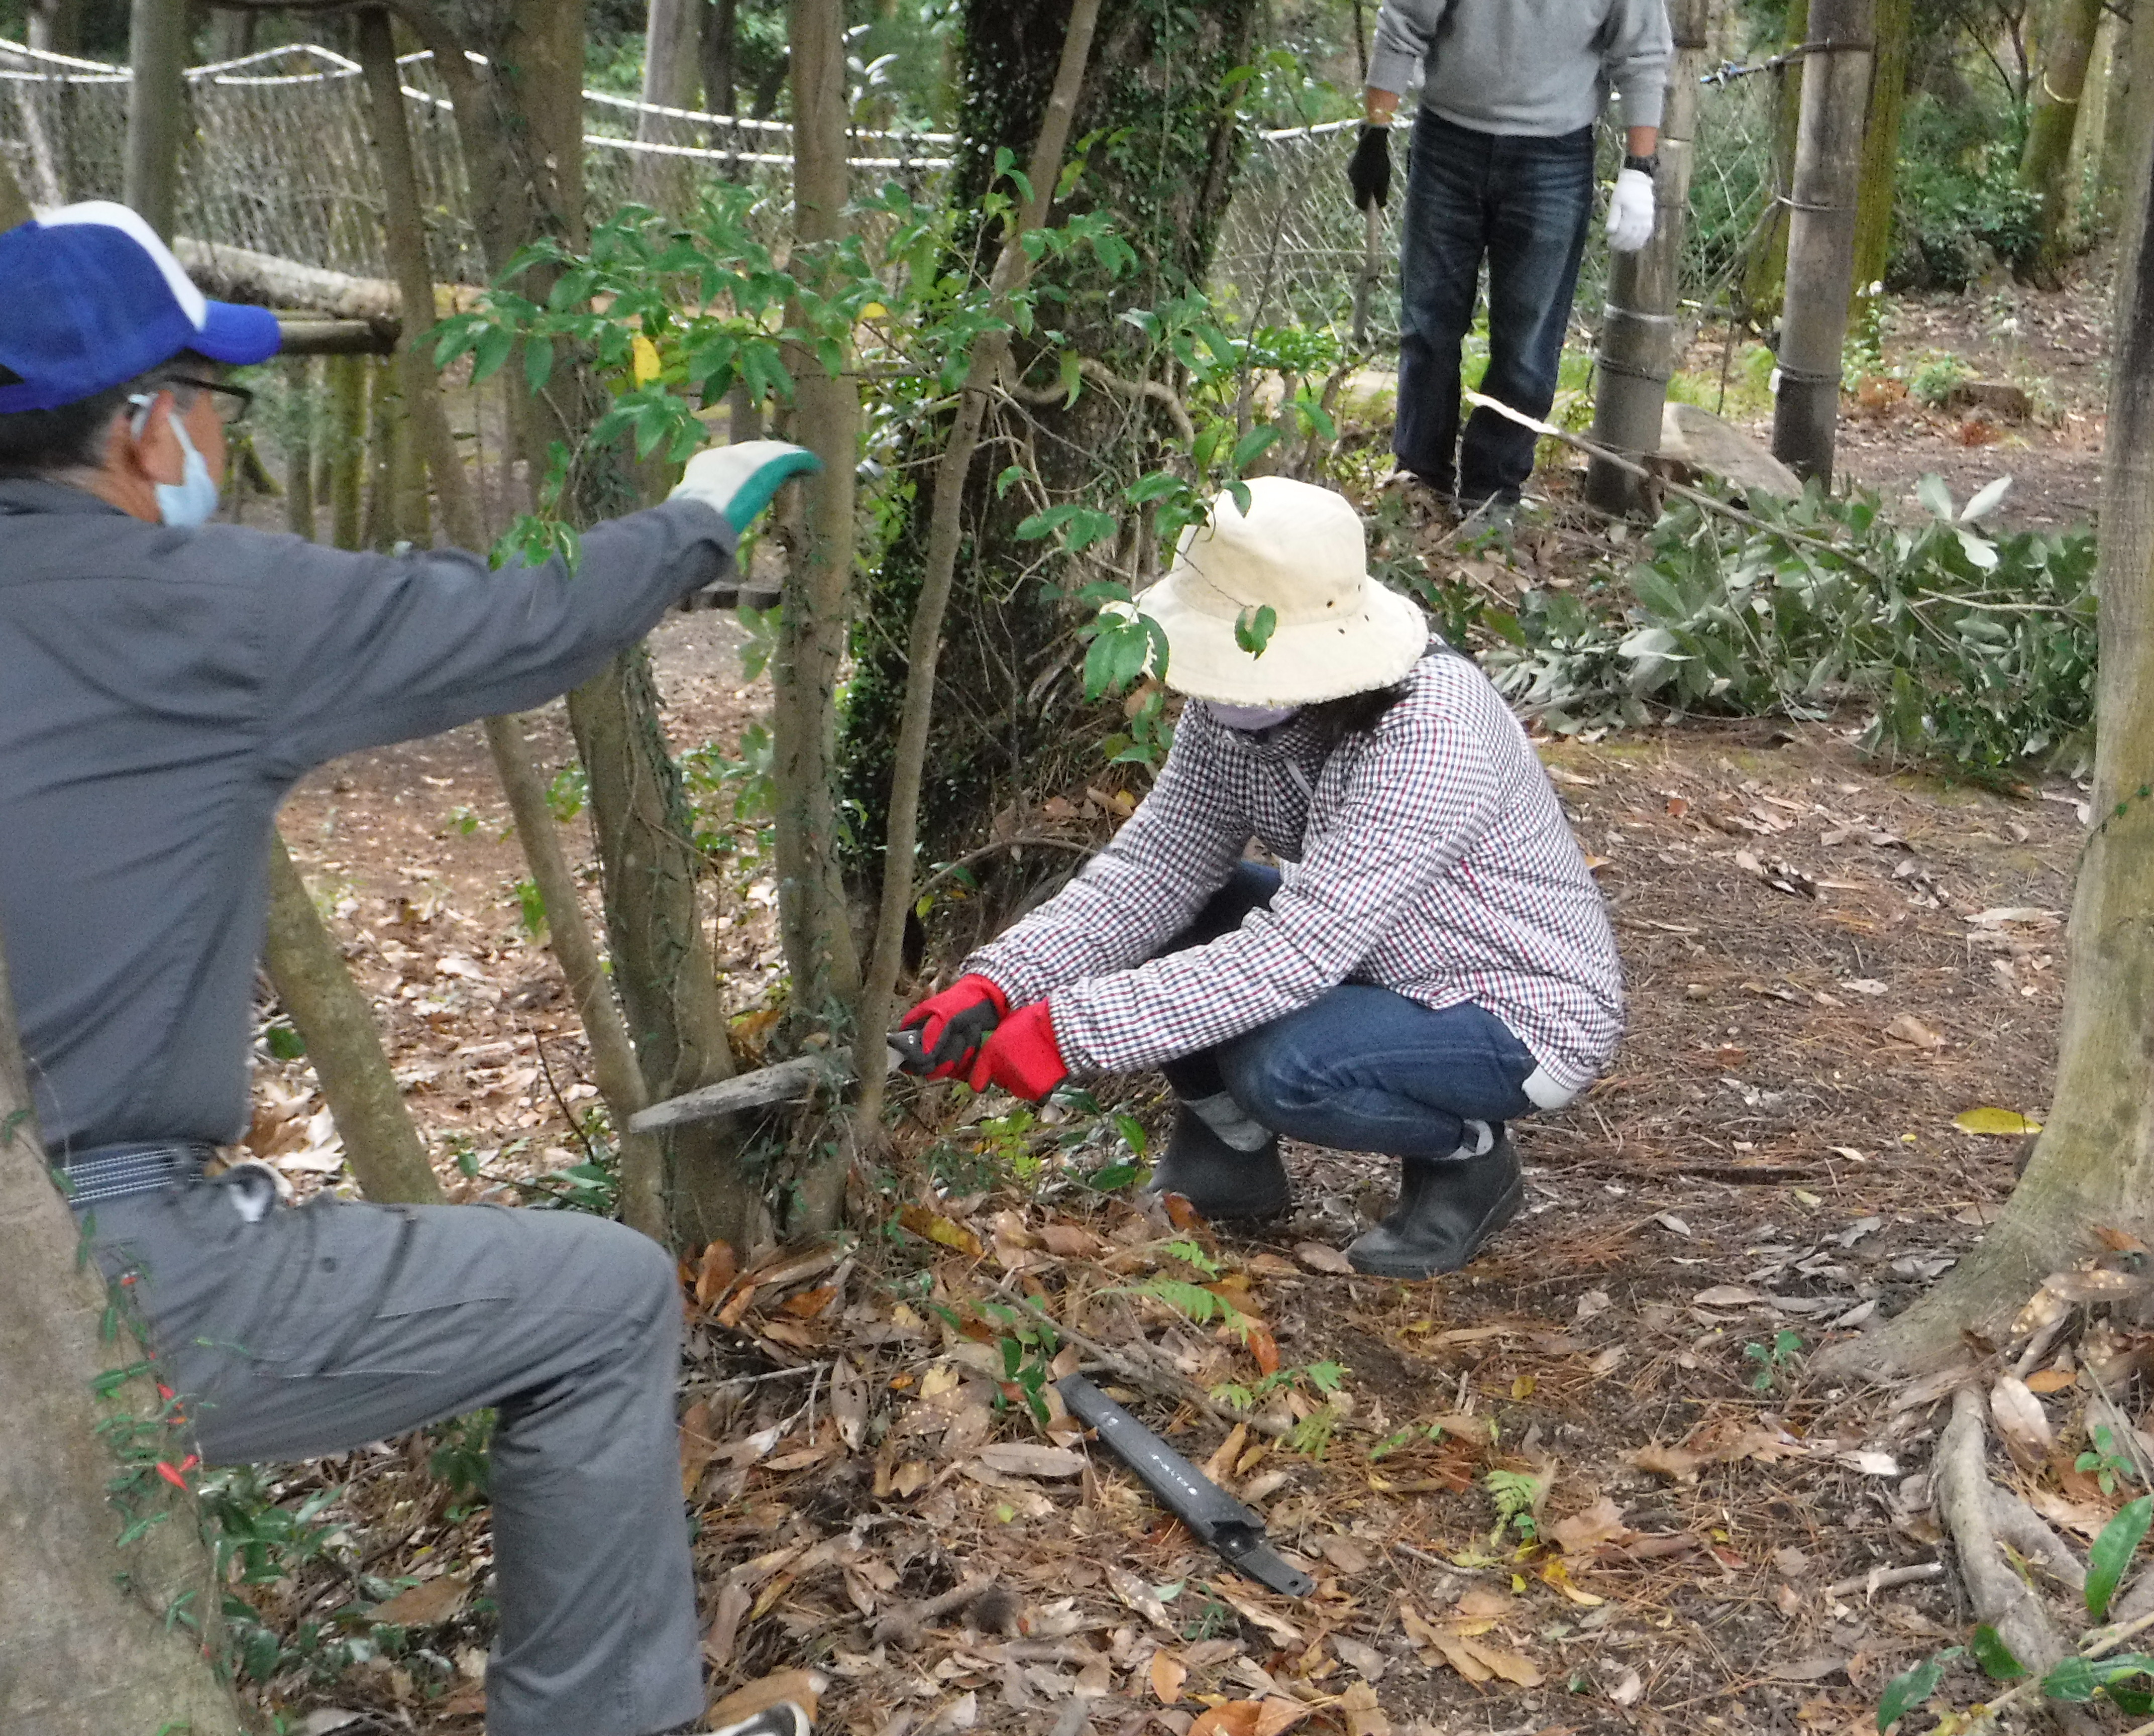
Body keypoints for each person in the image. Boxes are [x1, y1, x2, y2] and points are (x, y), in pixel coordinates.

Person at [0, 202, 814, 1736]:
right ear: (139, 426)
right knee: (601, 1300)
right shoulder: (193, 610)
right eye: (208, 403)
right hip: (97, 1274)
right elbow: (513, 621)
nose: (215, 441)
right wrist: (699, 521)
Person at [899, 477, 1622, 1278]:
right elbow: (1154, 868)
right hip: (1376, 957)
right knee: (1171, 912)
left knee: (1286, 1068)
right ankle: (1229, 1153)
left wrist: (1061, 1033)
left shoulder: (1429, 729)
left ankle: (1468, 1158)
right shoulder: (1235, 711)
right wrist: (997, 986)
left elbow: (1296, 954)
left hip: (1514, 1009)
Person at [1348, 0, 1674, 517]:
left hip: (1555, 155)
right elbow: (1405, 22)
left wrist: (1639, 168)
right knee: (1428, 324)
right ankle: (1419, 480)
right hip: (1448, 141)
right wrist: (1376, 129)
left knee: (1528, 342)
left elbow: (1643, 55)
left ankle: (1492, 493)